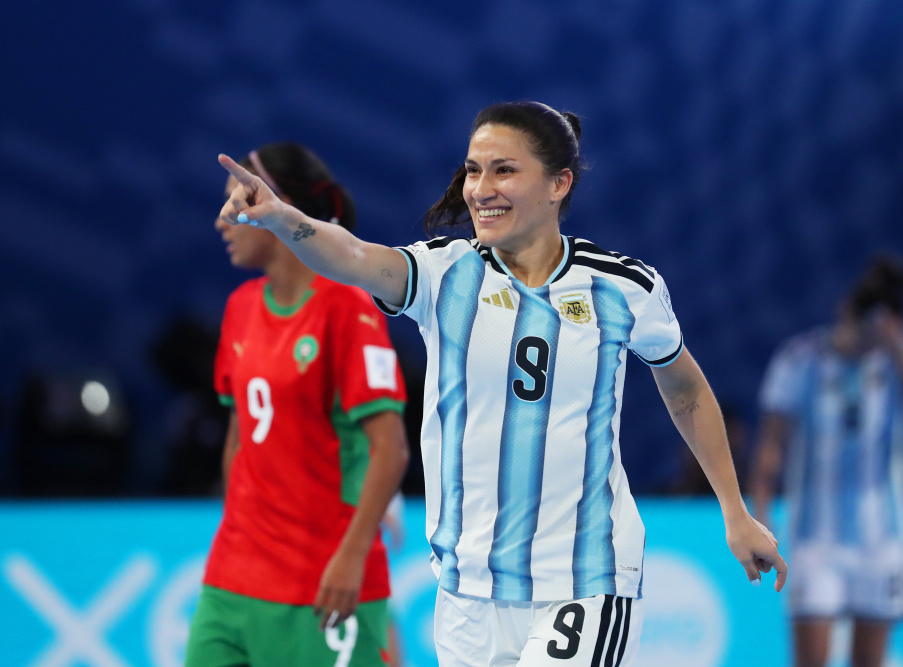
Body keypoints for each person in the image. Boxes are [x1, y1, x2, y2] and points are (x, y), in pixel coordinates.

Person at [216, 101, 786, 667]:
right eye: (472, 169)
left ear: (559, 183)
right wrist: (279, 217)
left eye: (504, 170)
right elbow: (351, 256)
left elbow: (684, 388)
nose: (480, 188)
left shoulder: (621, 287)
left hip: (584, 578)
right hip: (468, 589)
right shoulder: (444, 273)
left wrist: (734, 510)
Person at [185, 142, 410, 667]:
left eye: (233, 203)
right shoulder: (239, 309)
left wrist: (353, 558)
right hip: (232, 577)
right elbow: (239, 436)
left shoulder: (349, 306)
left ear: (272, 203)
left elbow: (390, 449)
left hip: (320, 579)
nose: (222, 220)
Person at [750, 256, 903, 667]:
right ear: (846, 310)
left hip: (883, 542)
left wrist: (897, 352)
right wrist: (761, 519)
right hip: (814, 542)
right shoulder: (799, 360)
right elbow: (770, 449)